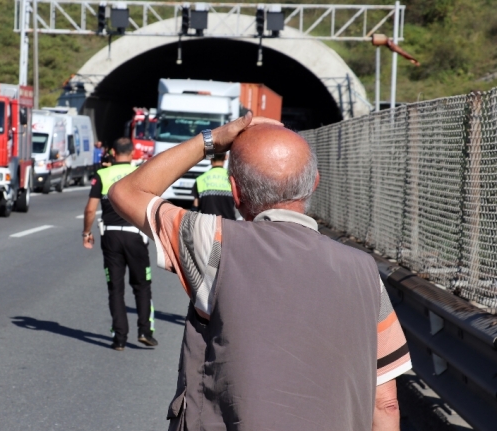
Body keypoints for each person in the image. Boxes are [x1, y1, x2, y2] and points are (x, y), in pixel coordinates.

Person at [109, 113, 411, 430]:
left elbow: (126, 191)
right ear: (315, 183)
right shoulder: (363, 271)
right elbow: (385, 404)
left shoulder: (215, 243)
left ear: (235, 192)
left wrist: (210, 141)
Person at [82, 137, 157, 351]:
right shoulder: (140, 173)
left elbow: (89, 209)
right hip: (135, 235)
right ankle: (145, 331)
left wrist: (86, 232)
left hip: (111, 236)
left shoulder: (103, 175)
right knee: (142, 285)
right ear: (132, 153)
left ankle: (119, 338)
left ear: (113, 152)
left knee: (115, 288)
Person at [192, 152, 236, 219]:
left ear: (210, 158)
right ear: (226, 157)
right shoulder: (232, 180)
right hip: (228, 225)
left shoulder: (200, 180)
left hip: (206, 225)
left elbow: (195, 208)